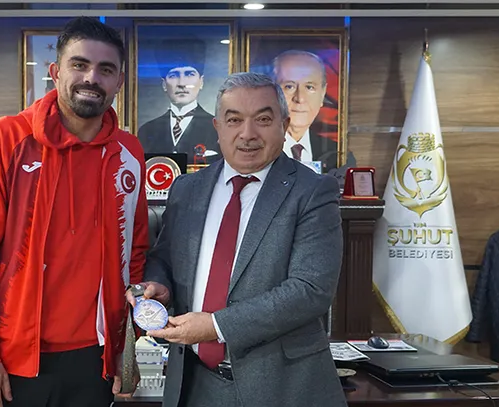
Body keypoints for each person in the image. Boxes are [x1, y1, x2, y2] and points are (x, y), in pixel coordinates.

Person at [0, 17, 148, 407]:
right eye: (80, 65)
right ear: (56, 72)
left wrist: (125, 345)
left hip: (95, 361)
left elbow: (135, 253)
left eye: (105, 69)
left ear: (119, 82)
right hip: (13, 358)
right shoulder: (10, 138)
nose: (91, 78)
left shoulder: (130, 152)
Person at [130, 72, 347, 407]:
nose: (247, 134)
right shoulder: (187, 189)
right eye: (234, 120)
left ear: (284, 125)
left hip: (281, 387)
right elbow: (165, 257)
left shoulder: (313, 191)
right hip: (193, 384)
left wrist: (216, 326)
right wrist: (160, 285)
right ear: (217, 127)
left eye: (263, 119)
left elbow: (310, 290)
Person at [137, 39, 221, 166]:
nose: (182, 83)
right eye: (174, 75)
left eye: (189, 74)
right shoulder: (147, 131)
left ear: (201, 82)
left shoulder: (217, 129)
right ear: (164, 84)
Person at [272, 49, 355, 173]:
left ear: (322, 94)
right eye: (289, 86)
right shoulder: (254, 152)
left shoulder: (340, 158)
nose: (300, 98)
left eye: (309, 87)